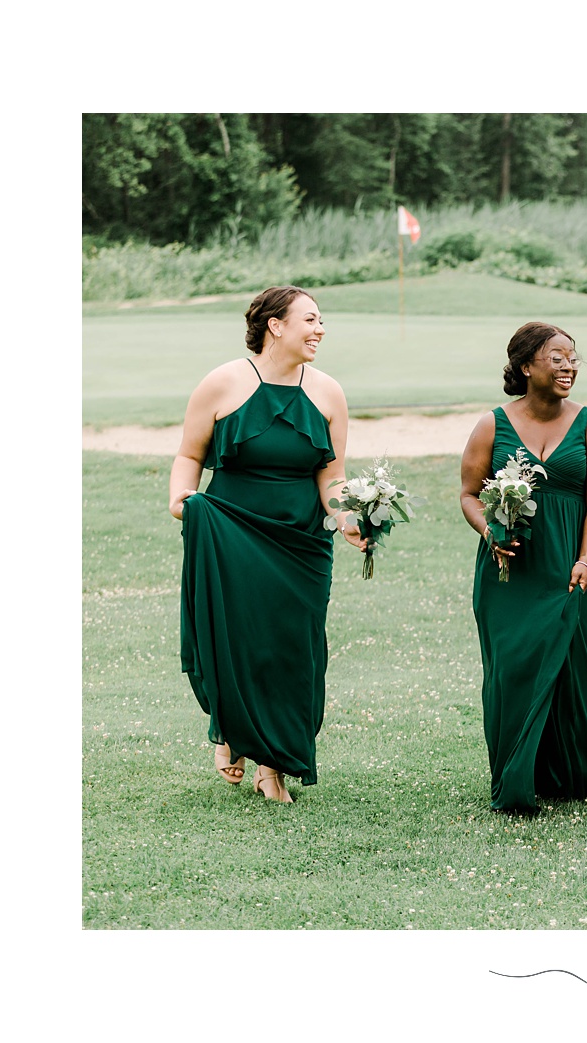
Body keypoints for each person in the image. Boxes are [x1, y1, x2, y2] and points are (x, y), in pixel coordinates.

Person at [172, 286, 366, 804]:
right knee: (241, 643)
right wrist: (182, 498)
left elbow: (333, 477)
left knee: (293, 651)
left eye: (322, 319)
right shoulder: (223, 382)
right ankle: (246, 745)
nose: (320, 328)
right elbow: (190, 456)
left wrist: (346, 517)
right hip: (233, 532)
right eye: (310, 319)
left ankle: (272, 759)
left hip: (301, 543)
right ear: (275, 325)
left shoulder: (328, 392)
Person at [459, 322, 587, 813]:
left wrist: (585, 558)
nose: (569, 366)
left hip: (571, 563)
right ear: (525, 366)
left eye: (572, 358)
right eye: (557, 358)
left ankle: (585, 769)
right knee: (513, 666)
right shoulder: (492, 425)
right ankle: (519, 773)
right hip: (509, 569)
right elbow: (469, 495)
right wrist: (489, 531)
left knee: (582, 664)